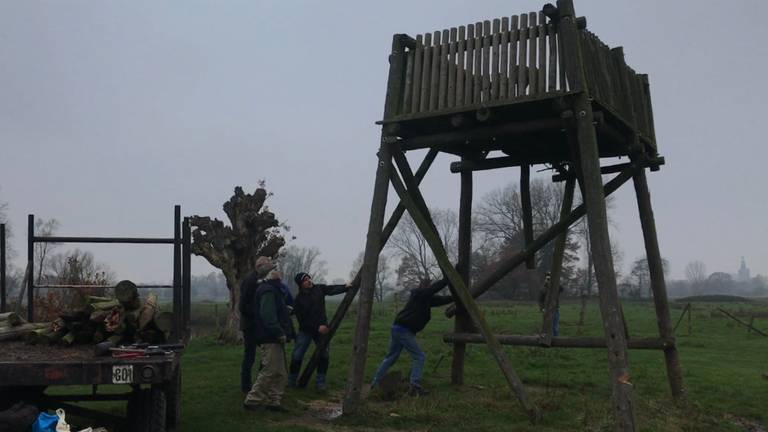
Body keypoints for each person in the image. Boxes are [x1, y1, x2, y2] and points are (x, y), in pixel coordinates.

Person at [371, 277, 453, 396]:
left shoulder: (426, 299)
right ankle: (415, 386)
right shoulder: (419, 294)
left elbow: (442, 299)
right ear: (423, 286)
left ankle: (375, 383)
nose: (428, 288)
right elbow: (433, 290)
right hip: (403, 330)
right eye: (427, 285)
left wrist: (456, 297)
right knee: (419, 356)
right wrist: (447, 279)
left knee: (391, 357)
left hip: (398, 328)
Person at [242, 258, 294, 412]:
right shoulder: (268, 290)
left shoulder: (272, 289)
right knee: (270, 370)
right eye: (275, 269)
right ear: (270, 274)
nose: (279, 271)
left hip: (273, 335)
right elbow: (268, 316)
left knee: (281, 372)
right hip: (270, 337)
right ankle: (252, 400)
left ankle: (274, 401)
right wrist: (279, 332)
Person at [288, 272, 351, 390]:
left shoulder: (319, 289)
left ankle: (320, 382)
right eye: (305, 280)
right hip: (306, 330)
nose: (309, 280)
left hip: (322, 329)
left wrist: (344, 287)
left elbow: (331, 289)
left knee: (324, 355)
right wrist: (317, 327)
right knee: (297, 355)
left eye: (309, 278)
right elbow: (302, 320)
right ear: (300, 284)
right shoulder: (298, 300)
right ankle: (291, 381)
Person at [538, 272, 564, 336]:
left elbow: (562, 289)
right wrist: (542, 308)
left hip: (555, 309)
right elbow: (540, 300)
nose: (549, 280)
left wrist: (556, 281)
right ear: (545, 279)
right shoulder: (543, 289)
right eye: (547, 279)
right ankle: (546, 339)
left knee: (555, 327)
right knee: (546, 326)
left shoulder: (556, 287)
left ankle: (556, 340)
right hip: (546, 309)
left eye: (550, 278)